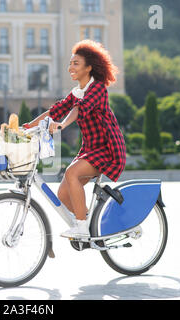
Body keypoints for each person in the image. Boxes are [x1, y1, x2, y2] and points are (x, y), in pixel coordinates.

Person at [24, 40, 127, 239]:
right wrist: (28, 126)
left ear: (89, 67)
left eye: (76, 63)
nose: (70, 67)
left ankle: (81, 226)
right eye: (70, 63)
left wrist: (62, 125)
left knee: (72, 173)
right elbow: (56, 110)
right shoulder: (77, 92)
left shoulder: (97, 88)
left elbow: (79, 108)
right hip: (90, 149)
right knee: (62, 195)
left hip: (107, 148)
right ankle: (91, 224)